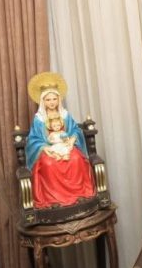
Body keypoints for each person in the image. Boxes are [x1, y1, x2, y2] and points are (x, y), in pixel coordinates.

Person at [26, 72, 95, 209]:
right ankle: (54, 199)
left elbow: (75, 130)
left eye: (54, 99)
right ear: (42, 101)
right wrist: (44, 147)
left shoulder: (65, 114)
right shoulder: (39, 118)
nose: (51, 102)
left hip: (66, 145)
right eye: (48, 99)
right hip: (49, 148)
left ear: (59, 99)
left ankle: (79, 194)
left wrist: (72, 139)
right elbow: (33, 139)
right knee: (48, 164)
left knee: (76, 159)